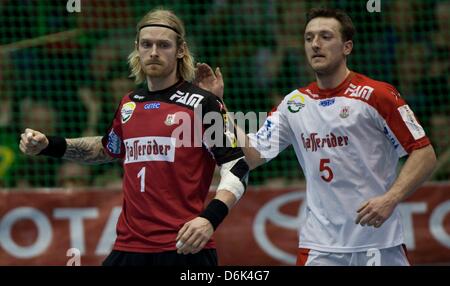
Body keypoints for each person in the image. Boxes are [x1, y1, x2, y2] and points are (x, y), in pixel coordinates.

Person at [196, 7, 437, 266]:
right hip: (320, 247)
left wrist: (391, 199)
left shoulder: (378, 95)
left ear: (347, 47)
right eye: (309, 38)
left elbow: (424, 154)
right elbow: (253, 155)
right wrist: (217, 104)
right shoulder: (294, 104)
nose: (315, 44)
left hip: (379, 242)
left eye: (325, 36)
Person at [19, 7, 249, 266]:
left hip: (184, 249)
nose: (153, 52)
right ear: (137, 48)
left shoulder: (202, 103)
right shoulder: (129, 103)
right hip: (129, 247)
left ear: (180, 50)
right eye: (146, 44)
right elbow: (106, 148)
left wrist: (210, 218)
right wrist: (49, 145)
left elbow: (237, 165)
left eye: (163, 45)